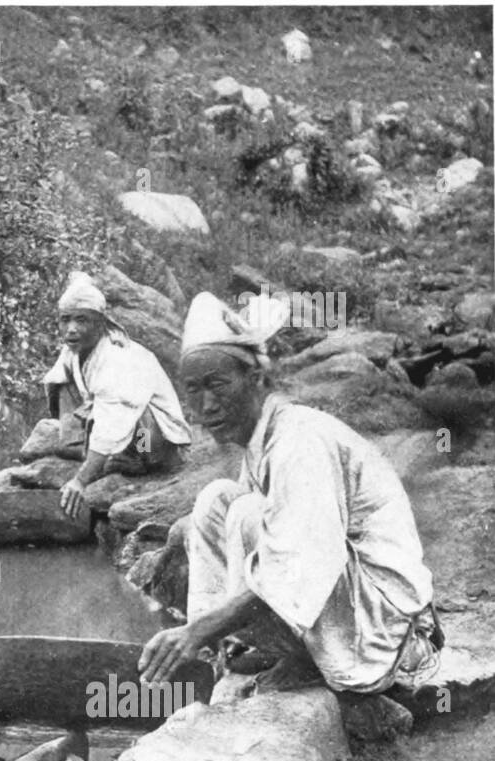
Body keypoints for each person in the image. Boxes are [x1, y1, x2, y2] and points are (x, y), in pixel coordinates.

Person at [139, 292, 442, 731]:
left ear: (257, 378)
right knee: (216, 501)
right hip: (346, 607)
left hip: (385, 631)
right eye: (194, 390)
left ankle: (304, 662)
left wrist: (197, 629)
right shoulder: (264, 441)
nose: (206, 406)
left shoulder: (299, 440)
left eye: (218, 384)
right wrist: (207, 628)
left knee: (243, 513)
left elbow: (298, 563)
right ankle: (222, 653)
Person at [43, 271, 193, 522]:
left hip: (154, 439)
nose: (71, 329)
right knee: (61, 382)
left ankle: (141, 463)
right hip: (120, 422)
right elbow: (58, 383)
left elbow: (114, 420)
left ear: (101, 322)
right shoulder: (74, 350)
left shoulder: (116, 357)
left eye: (81, 320)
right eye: (65, 320)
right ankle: (93, 455)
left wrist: (81, 481)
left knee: (135, 423)